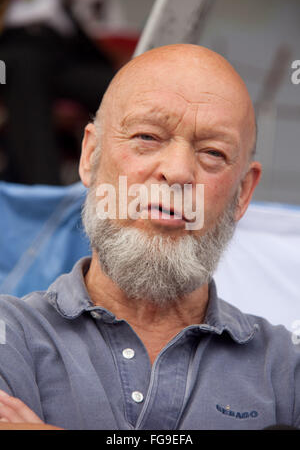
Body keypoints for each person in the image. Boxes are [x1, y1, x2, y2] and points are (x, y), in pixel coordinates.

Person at [0, 44, 299, 430]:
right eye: (147, 136)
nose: (176, 173)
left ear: (242, 192)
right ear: (90, 155)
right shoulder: (10, 338)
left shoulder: (286, 370)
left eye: (212, 152)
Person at [0, 0, 115, 185]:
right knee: (26, 72)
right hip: (11, 49)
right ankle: (44, 195)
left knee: (120, 88)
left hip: (60, 51)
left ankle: (129, 184)